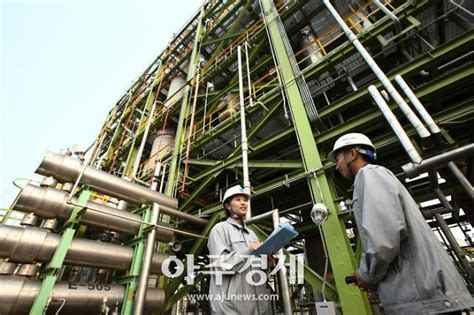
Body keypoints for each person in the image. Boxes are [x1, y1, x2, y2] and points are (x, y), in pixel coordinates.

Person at [328, 133, 473, 315]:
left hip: (422, 301)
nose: (336, 164)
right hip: (427, 297)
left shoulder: (369, 175)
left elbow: (383, 238)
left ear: (352, 154)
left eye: (338, 157)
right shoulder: (378, 177)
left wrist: (367, 274)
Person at [207, 185, 271, 314]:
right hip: (231, 309)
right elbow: (221, 265)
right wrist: (249, 250)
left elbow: (257, 271)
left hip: (259, 308)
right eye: (238, 199)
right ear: (228, 206)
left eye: (245, 200)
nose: (243, 203)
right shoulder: (219, 230)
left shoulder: (252, 235)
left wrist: (266, 264)